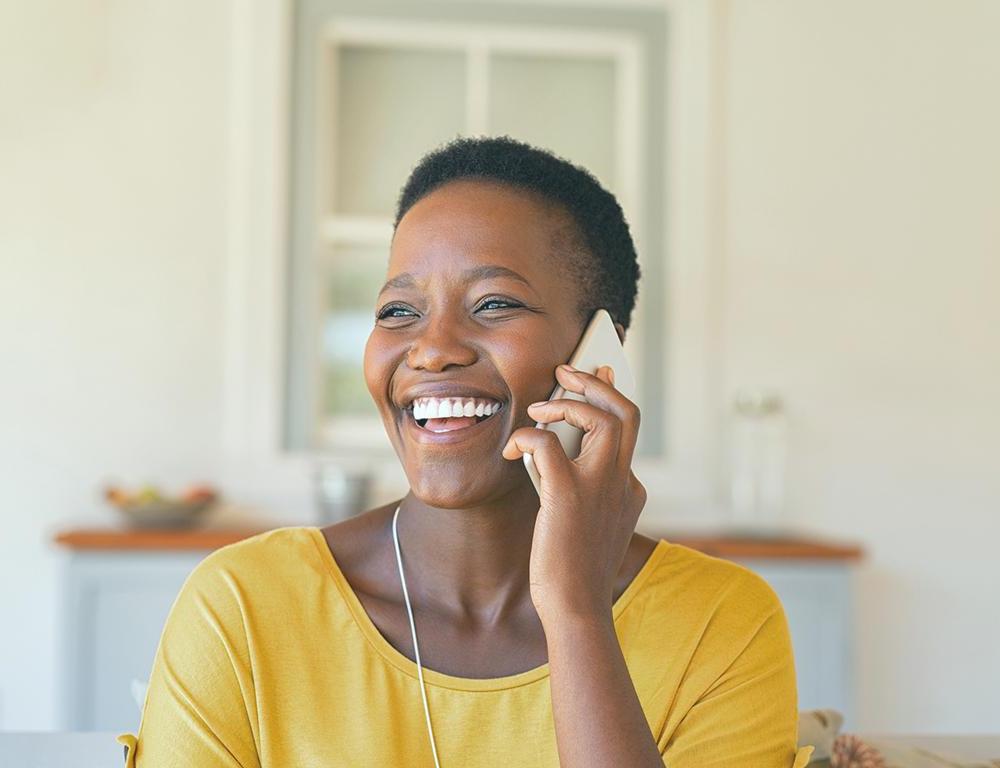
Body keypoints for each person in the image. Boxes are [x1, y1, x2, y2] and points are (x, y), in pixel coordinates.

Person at [118, 136, 814, 767]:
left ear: (599, 352)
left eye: (494, 304)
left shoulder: (723, 624)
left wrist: (575, 613)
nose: (432, 348)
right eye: (398, 311)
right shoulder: (244, 604)